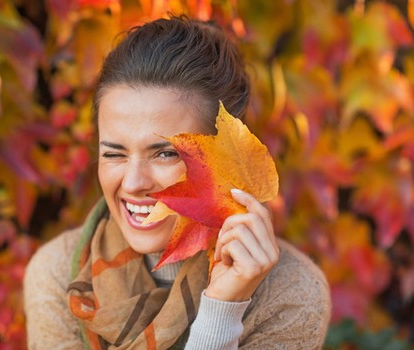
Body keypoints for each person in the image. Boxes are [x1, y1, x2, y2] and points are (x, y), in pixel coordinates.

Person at [24, 15, 331, 349]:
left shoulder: (290, 293)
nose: (133, 182)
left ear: (225, 158)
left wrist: (222, 310)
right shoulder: (57, 274)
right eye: (115, 154)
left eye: (165, 154)